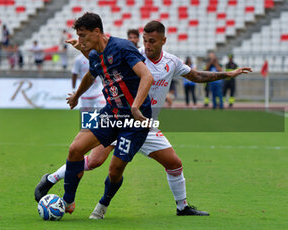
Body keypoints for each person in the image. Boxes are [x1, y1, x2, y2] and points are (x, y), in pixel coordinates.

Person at [35, 19, 252, 218]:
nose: (147, 45)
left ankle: (182, 206)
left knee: (174, 164)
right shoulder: (132, 53)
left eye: (152, 41)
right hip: (116, 115)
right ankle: (53, 179)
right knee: (93, 160)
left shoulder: (172, 62)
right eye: (145, 41)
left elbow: (196, 76)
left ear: (163, 41)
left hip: (145, 123)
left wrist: (227, 74)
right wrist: (86, 50)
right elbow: (101, 64)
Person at [36, 12, 154, 215]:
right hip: (111, 113)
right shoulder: (93, 54)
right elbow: (91, 75)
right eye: (79, 36)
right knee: (75, 149)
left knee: (115, 170)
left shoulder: (122, 47)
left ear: (97, 32)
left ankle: (102, 205)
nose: (80, 40)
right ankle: (68, 201)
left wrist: (135, 106)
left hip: (135, 119)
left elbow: (147, 76)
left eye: (83, 35)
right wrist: (76, 96)